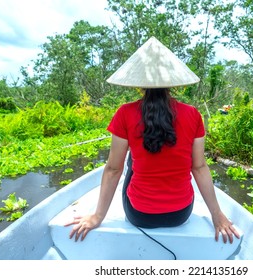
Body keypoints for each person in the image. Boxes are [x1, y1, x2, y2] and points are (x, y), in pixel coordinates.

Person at [65, 37, 240, 244]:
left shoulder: (125, 113)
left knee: (131, 159)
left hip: (139, 214)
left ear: (140, 84)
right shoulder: (193, 114)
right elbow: (199, 167)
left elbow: (113, 169)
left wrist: (97, 217)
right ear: (172, 83)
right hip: (181, 213)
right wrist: (216, 214)